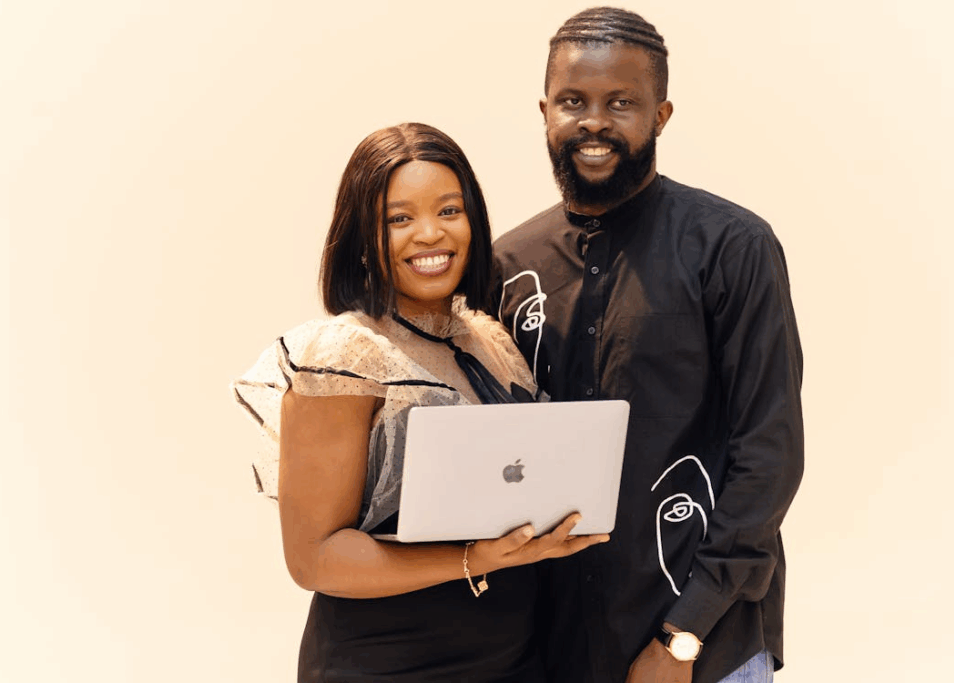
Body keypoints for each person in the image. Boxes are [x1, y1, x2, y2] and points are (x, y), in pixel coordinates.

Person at [232, 122, 608, 683]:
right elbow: (314, 559)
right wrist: (472, 560)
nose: (430, 234)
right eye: (399, 218)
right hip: (388, 662)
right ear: (363, 235)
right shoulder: (343, 353)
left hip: (513, 658)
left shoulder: (491, 341)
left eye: (449, 211)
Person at [493, 8, 804, 683]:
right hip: (550, 650)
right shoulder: (508, 266)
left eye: (621, 102)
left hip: (702, 651)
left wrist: (682, 636)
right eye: (574, 101)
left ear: (661, 115)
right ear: (545, 109)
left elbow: (769, 454)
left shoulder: (731, 247)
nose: (594, 122)